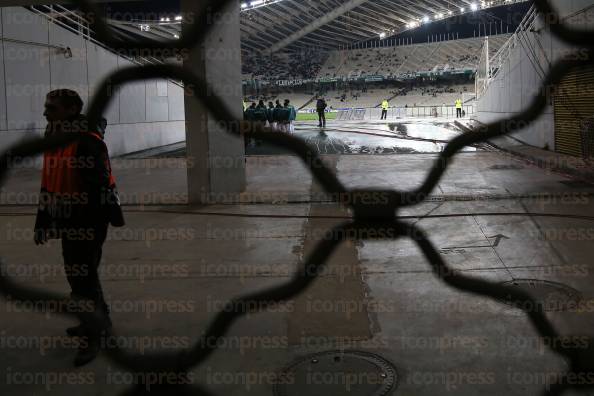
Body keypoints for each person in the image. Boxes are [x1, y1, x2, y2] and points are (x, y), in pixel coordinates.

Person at [34, 89, 124, 366]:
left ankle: (94, 334)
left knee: (82, 278)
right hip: (68, 219)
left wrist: (85, 225)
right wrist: (44, 220)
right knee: (80, 276)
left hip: (87, 221)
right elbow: (49, 181)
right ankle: (98, 321)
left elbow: (100, 186)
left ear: (72, 110)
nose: (46, 112)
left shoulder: (87, 141)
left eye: (52, 108)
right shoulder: (54, 138)